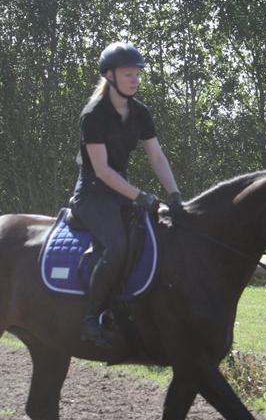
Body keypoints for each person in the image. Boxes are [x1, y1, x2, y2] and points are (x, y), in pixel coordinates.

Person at [70, 41, 183, 346]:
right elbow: (102, 171)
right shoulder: (94, 115)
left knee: (152, 235)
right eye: (128, 74)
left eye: (138, 74)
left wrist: (174, 194)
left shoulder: (140, 112)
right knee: (118, 245)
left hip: (120, 189)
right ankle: (91, 318)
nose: (135, 79)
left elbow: (156, 156)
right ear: (109, 75)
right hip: (93, 193)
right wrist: (141, 197)